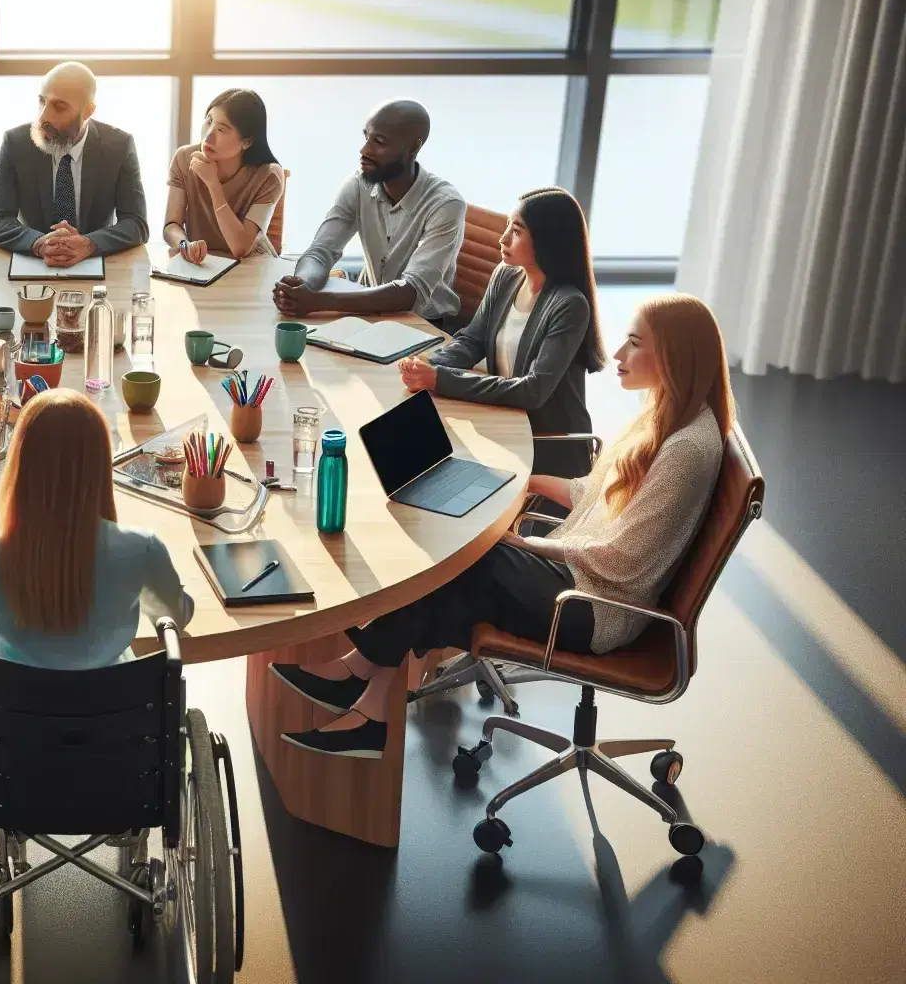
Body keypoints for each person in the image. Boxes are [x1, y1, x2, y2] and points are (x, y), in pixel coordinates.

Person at [270, 293, 731, 759]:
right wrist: (519, 479)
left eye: (633, 344)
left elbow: (623, 556)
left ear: (675, 355)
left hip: (596, 608)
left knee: (466, 554)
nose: (617, 355)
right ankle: (369, 708)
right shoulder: (665, 414)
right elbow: (594, 496)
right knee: (453, 583)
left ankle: (359, 672)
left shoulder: (686, 450)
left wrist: (525, 545)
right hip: (580, 581)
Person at [0, 389, 193, 669]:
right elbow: (177, 614)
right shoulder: (142, 551)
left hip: (10, 716)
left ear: (20, 466)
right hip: (115, 716)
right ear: (100, 467)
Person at [398, 187, 606, 478]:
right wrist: (431, 365)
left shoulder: (569, 305)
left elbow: (532, 391)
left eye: (517, 231)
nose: (503, 237)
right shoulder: (506, 275)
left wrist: (441, 379)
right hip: (503, 422)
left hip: (544, 446)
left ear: (548, 240)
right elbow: (474, 340)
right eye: (508, 225)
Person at [272, 99, 466, 324]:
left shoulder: (445, 204)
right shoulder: (358, 185)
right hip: (370, 315)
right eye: (366, 138)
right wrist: (301, 286)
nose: (364, 150)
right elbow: (321, 251)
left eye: (379, 142)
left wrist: (318, 301)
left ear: (414, 148)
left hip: (425, 324)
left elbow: (411, 291)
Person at [0, 62, 148, 266]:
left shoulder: (120, 146)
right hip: (32, 266)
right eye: (42, 102)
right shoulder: (16, 143)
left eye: (59, 107)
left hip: (96, 266)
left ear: (88, 111)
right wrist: (38, 243)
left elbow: (136, 223)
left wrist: (89, 244)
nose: (43, 117)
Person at [163, 88, 286, 261]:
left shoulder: (269, 176)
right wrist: (185, 245)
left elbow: (240, 248)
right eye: (209, 121)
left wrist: (213, 185)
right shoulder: (184, 158)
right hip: (203, 264)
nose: (208, 136)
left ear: (247, 142)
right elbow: (171, 225)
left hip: (251, 266)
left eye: (221, 130)